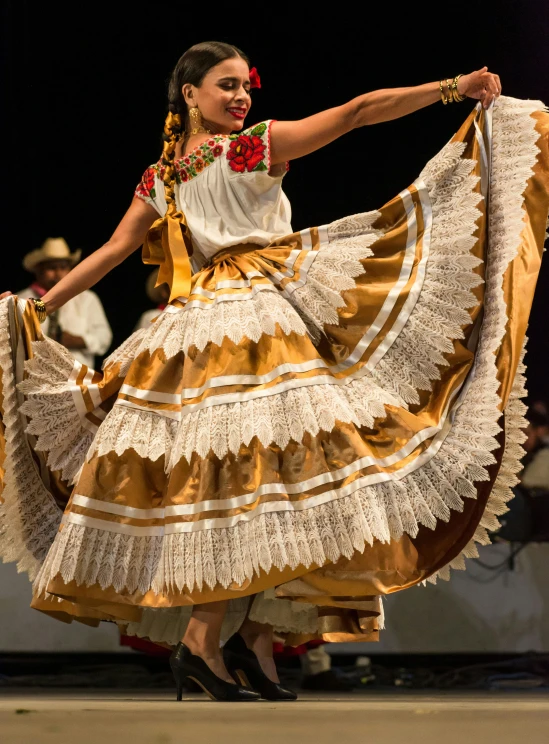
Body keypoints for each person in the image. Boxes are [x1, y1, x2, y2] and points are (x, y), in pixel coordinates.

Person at [1, 41, 548, 703]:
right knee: (255, 476)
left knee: (256, 481)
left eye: (245, 87)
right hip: (243, 319)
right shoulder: (216, 157)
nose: (241, 98)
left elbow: (352, 114)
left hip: (205, 324)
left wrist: (43, 302)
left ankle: (250, 641)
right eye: (226, 86)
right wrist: (35, 307)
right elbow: (351, 113)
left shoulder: (188, 166)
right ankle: (206, 638)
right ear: (190, 95)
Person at [18, 237, 113, 368]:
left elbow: (104, 338)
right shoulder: (23, 299)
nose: (58, 273)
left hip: (77, 379)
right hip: (35, 377)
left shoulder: (87, 298)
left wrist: (80, 341)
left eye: (63, 267)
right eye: (51, 268)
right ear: (39, 270)